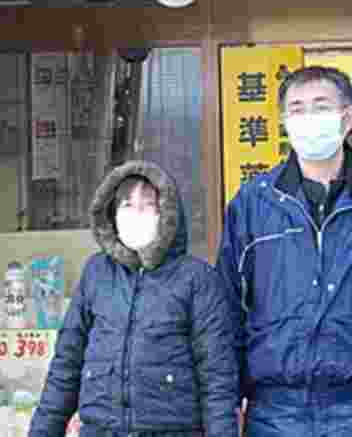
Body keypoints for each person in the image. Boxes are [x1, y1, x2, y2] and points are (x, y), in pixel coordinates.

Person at [217, 66, 352, 436]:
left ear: (347, 119)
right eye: (297, 109)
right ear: (283, 122)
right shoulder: (253, 202)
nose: (308, 118)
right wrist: (226, 402)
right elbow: (227, 306)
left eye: (320, 106)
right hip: (272, 410)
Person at [29, 161, 239, 437]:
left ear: (166, 214)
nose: (135, 213)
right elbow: (66, 365)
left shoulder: (196, 279)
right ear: (112, 213)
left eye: (147, 205)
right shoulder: (96, 273)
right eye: (127, 205)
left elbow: (217, 378)